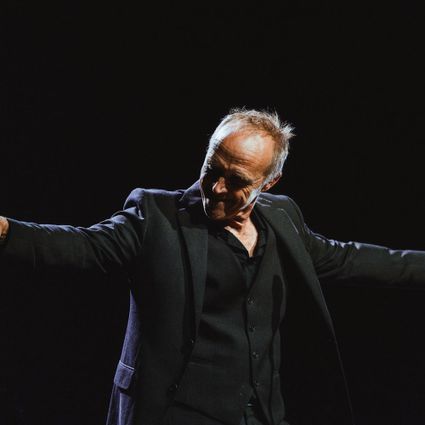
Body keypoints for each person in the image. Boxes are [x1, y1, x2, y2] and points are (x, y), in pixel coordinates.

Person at [1, 108, 425, 425]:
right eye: (211, 170)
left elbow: (350, 258)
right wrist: (6, 231)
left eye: (237, 181)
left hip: (262, 413)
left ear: (269, 182)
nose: (217, 188)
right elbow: (83, 246)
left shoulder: (283, 218)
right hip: (177, 412)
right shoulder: (155, 216)